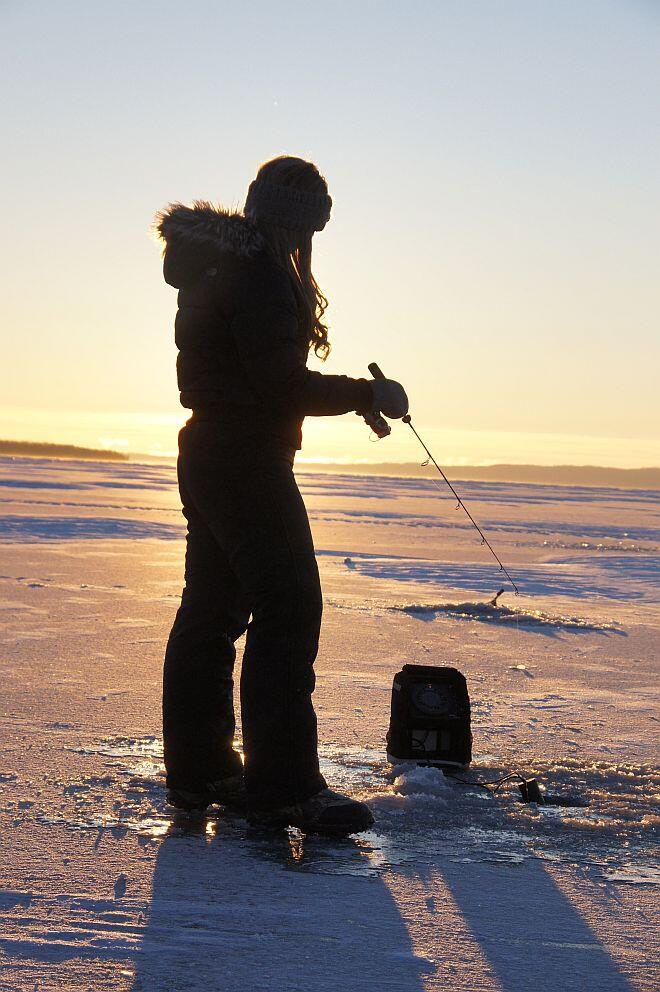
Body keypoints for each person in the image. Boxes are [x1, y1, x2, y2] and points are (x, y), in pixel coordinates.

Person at [156, 155, 408, 835]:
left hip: (211, 452)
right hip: (244, 461)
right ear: (290, 221)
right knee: (289, 604)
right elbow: (281, 386)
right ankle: (285, 786)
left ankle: (202, 771)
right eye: (307, 228)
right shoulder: (262, 277)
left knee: (211, 609)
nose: (309, 244)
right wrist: (365, 393)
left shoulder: (225, 268)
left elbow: (262, 379)